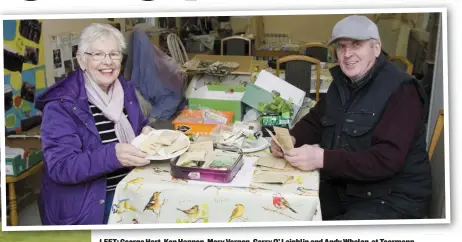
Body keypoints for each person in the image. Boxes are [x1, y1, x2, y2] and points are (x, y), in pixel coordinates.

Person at [271, 15, 432, 220]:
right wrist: (292, 138)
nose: (347, 54)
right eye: (341, 46)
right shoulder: (342, 83)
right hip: (348, 189)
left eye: (356, 44)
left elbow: (385, 160)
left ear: (376, 47)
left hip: (392, 199)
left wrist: (322, 159)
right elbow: (316, 120)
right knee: (285, 211)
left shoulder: (402, 90)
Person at [35, 23, 155, 225]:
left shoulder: (124, 88)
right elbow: (61, 166)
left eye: (114, 54)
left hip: (129, 189)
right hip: (88, 205)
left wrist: (146, 131)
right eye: (98, 54)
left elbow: (138, 123)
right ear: (81, 60)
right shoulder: (61, 105)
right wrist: (112, 156)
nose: (108, 62)